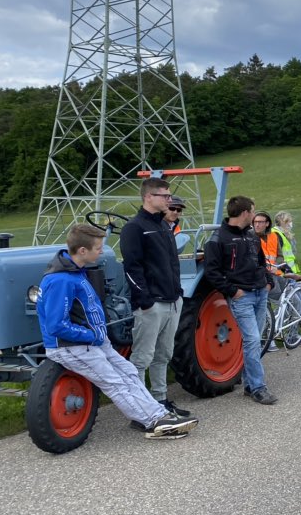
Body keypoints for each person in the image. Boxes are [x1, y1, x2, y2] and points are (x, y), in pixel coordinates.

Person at [35, 223, 198, 441]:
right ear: (82, 250)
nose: (101, 251)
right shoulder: (60, 280)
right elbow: (56, 325)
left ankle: (159, 414)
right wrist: (91, 336)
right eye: (97, 247)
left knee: (129, 372)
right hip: (72, 346)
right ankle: (153, 424)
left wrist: (97, 338)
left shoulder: (76, 273)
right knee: (115, 382)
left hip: (94, 342)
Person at [120, 177, 188, 417]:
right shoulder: (135, 228)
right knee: (142, 358)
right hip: (152, 305)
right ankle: (140, 410)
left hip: (172, 301)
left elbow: (172, 264)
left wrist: (178, 294)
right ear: (149, 196)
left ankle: (161, 401)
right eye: (165, 196)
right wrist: (146, 301)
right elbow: (132, 267)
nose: (169, 200)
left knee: (163, 355)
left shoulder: (164, 226)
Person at [204, 196, 278, 405]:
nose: (255, 216)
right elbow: (212, 271)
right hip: (242, 297)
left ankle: (248, 384)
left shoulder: (252, 237)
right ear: (245, 213)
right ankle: (258, 387)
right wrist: (233, 291)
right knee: (253, 340)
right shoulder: (218, 239)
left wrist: (268, 281)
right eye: (253, 212)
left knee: (254, 340)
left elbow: (262, 262)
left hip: (260, 293)